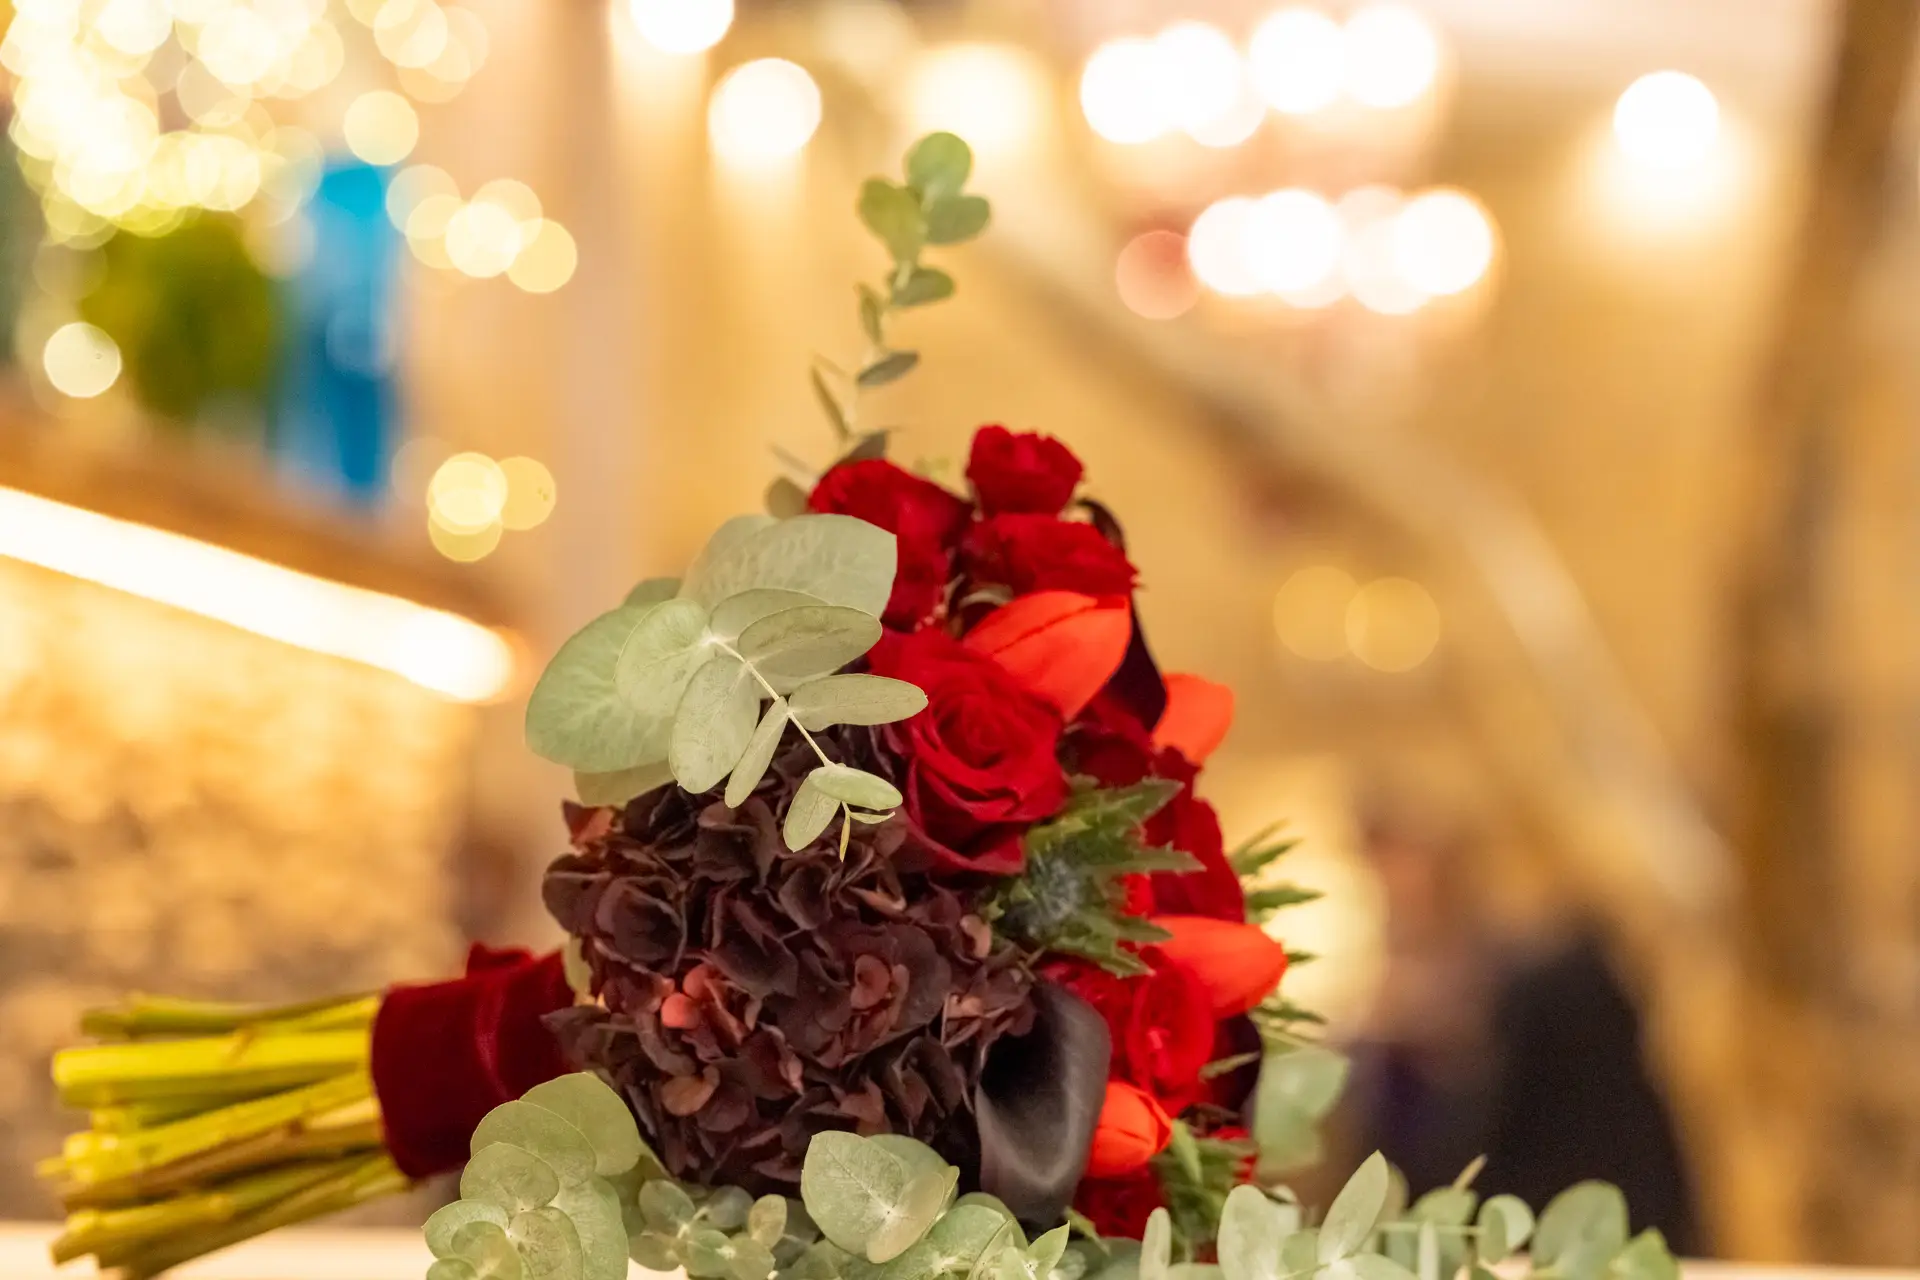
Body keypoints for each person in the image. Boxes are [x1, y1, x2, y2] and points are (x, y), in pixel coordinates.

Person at [1337, 793, 1702, 1254]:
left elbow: (1537, 1128)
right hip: (1516, 1222)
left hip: (1560, 1224)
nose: (1392, 885)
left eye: (1400, 861)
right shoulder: (1452, 971)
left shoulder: (1554, 973)